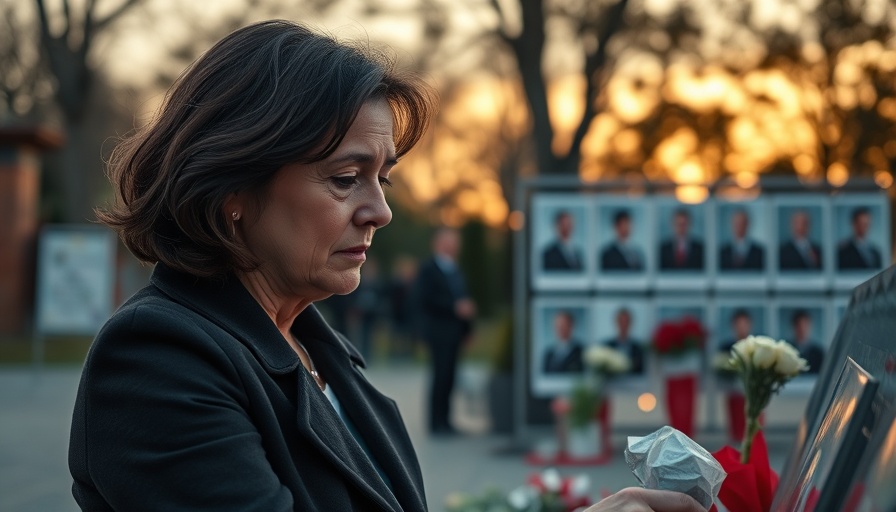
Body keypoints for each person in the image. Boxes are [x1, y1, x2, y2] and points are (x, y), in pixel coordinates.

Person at [68, 20, 706, 512]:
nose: (380, 212)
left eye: (384, 181)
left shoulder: (320, 346)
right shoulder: (158, 359)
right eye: (347, 179)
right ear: (233, 192)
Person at [415, 227, 475, 436]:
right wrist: (453, 307)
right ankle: (435, 423)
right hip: (438, 332)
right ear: (439, 243)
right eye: (450, 241)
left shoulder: (456, 269)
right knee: (439, 376)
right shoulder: (428, 269)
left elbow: (464, 299)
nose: (454, 245)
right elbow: (425, 300)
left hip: (455, 332)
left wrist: (468, 329)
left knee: (451, 376)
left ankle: (447, 421)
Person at [598, 308, 645, 456]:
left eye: (626, 322)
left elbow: (640, 368)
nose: (623, 325)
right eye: (620, 321)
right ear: (616, 323)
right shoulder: (607, 346)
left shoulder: (638, 348)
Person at [718, 309, 755, 442]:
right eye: (738, 324)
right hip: (734, 392)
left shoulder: (757, 346)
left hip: (753, 393)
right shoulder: (726, 347)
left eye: (744, 324)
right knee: (736, 425)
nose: (741, 327)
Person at [789, 309, 824, 374]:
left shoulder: (818, 353)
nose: (802, 330)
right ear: (794, 327)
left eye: (805, 325)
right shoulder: (788, 349)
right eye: (799, 326)